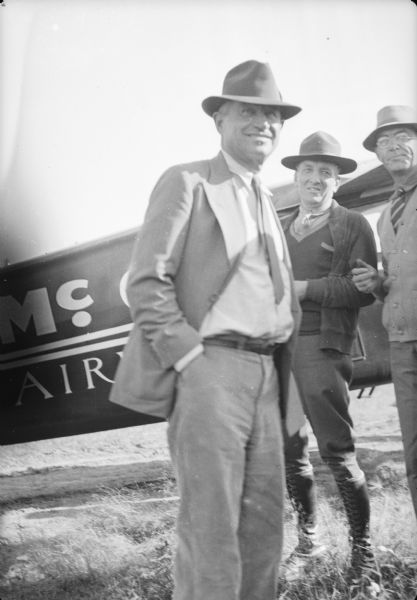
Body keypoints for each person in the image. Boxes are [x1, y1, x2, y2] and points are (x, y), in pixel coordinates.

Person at [110, 60, 302, 600]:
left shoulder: (266, 197)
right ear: (219, 118)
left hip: (267, 373)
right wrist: (187, 355)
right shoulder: (188, 181)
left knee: (264, 527)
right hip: (210, 369)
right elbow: (146, 281)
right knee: (211, 527)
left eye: (272, 115)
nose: (263, 123)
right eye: (248, 112)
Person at [277, 132, 379, 585]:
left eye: (326, 173)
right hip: (281, 349)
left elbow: (360, 290)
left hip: (323, 346)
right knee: (289, 449)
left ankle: (364, 556)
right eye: (308, 171)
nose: (315, 179)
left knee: (337, 452)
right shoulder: (281, 228)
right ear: (295, 179)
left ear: (337, 182)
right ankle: (309, 542)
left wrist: (304, 290)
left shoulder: (352, 224)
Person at [352, 105, 417, 521]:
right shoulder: (385, 216)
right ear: (377, 154)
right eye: (384, 142)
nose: (393, 147)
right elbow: (396, 280)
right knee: (414, 451)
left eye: (403, 137)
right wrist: (377, 285)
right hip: (402, 341)